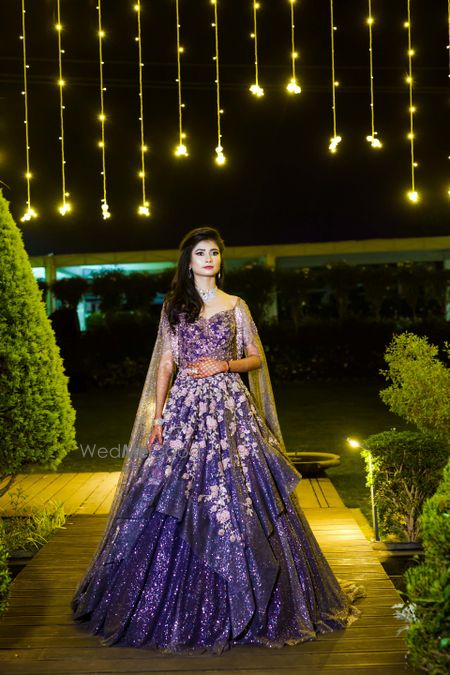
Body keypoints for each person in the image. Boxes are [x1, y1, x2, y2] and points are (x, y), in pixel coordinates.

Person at [71, 226, 363, 654]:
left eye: (214, 253)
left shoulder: (236, 305)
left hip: (229, 408)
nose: (208, 259)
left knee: (241, 492)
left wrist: (224, 365)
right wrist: (157, 415)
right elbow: (165, 365)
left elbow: (256, 357)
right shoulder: (174, 307)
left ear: (219, 260)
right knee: (172, 492)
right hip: (184, 409)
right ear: (187, 261)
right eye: (200, 253)